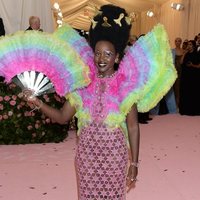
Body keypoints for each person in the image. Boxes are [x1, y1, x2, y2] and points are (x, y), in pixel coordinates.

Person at [22, 4, 176, 200]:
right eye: (97, 53)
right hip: (86, 158)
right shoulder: (83, 84)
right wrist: (37, 102)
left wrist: (134, 163)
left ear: (117, 57)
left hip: (114, 159)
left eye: (108, 54)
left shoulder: (125, 87)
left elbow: (133, 128)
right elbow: (62, 117)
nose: (101, 58)